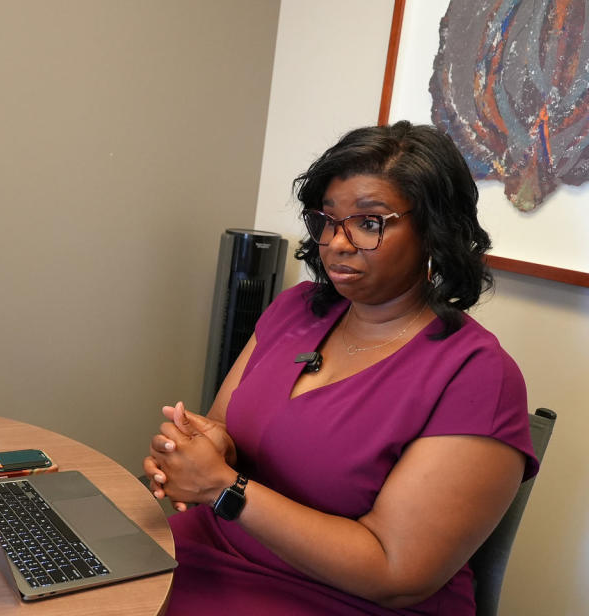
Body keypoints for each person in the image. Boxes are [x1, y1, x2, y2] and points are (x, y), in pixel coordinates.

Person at [143, 121, 539, 615]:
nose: (338, 243)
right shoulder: (296, 308)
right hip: (207, 551)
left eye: (369, 223)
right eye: (328, 220)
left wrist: (224, 488)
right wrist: (201, 448)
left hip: (336, 600)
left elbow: (397, 573)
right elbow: (222, 429)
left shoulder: (478, 375)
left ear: (435, 231)